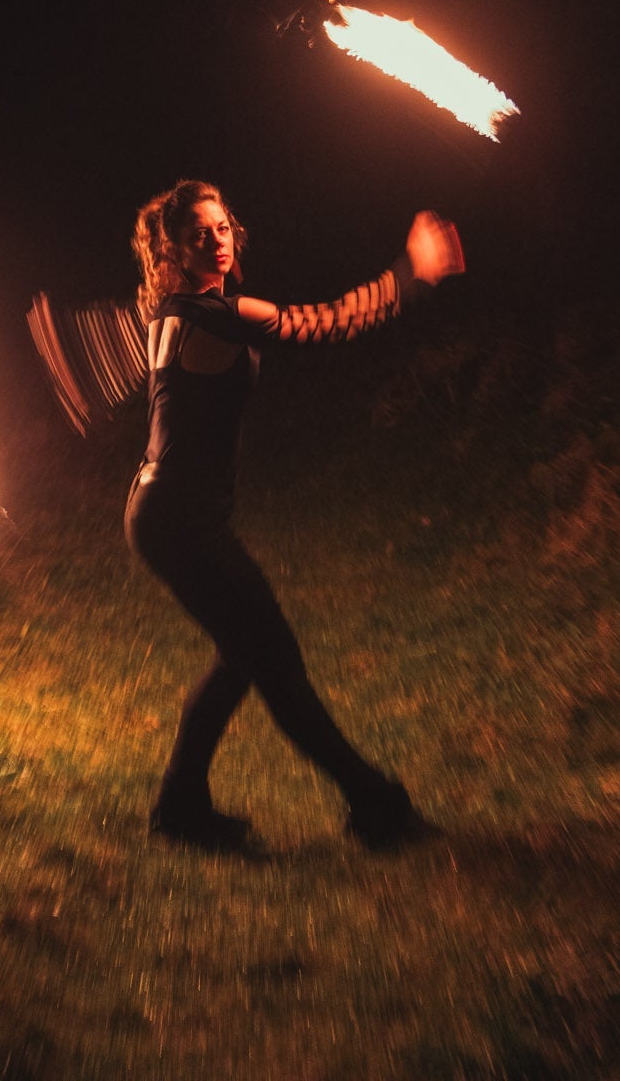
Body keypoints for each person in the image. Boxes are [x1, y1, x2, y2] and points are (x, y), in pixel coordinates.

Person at [123, 178, 465, 850]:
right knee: (274, 661)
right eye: (199, 234)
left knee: (243, 657)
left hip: (167, 513)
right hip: (178, 522)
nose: (216, 241)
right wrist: (412, 274)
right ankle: (375, 804)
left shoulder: (172, 310)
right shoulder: (222, 314)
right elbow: (332, 321)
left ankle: (181, 809)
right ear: (174, 249)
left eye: (222, 228)